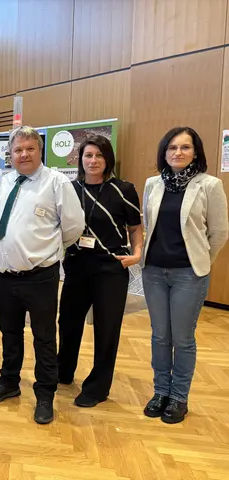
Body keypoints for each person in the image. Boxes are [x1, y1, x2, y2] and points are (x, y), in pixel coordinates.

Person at [0, 126, 84, 424]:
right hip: (5, 276)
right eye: (18, 150)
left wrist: (46, 249)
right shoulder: (4, 182)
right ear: (10, 154)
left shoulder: (56, 182)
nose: (24, 154)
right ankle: (9, 382)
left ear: (40, 151)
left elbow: (74, 226)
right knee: (9, 333)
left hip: (40, 276)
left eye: (30, 148)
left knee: (44, 337)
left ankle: (45, 393)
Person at [141, 126, 228, 424]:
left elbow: (219, 232)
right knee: (160, 336)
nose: (178, 152)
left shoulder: (209, 185)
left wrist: (199, 262)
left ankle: (178, 397)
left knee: (182, 338)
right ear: (164, 152)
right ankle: (160, 392)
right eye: (172, 147)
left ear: (195, 152)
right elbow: (148, 224)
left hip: (188, 275)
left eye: (185, 147)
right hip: (153, 272)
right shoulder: (152, 184)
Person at [57, 135, 143, 408]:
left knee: (107, 329)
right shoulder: (70, 189)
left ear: (108, 160)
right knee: (67, 323)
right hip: (76, 265)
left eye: (99, 155)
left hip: (110, 268)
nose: (93, 161)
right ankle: (63, 372)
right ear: (80, 159)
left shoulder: (124, 189)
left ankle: (97, 388)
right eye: (88, 155)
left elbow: (135, 227)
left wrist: (137, 254)